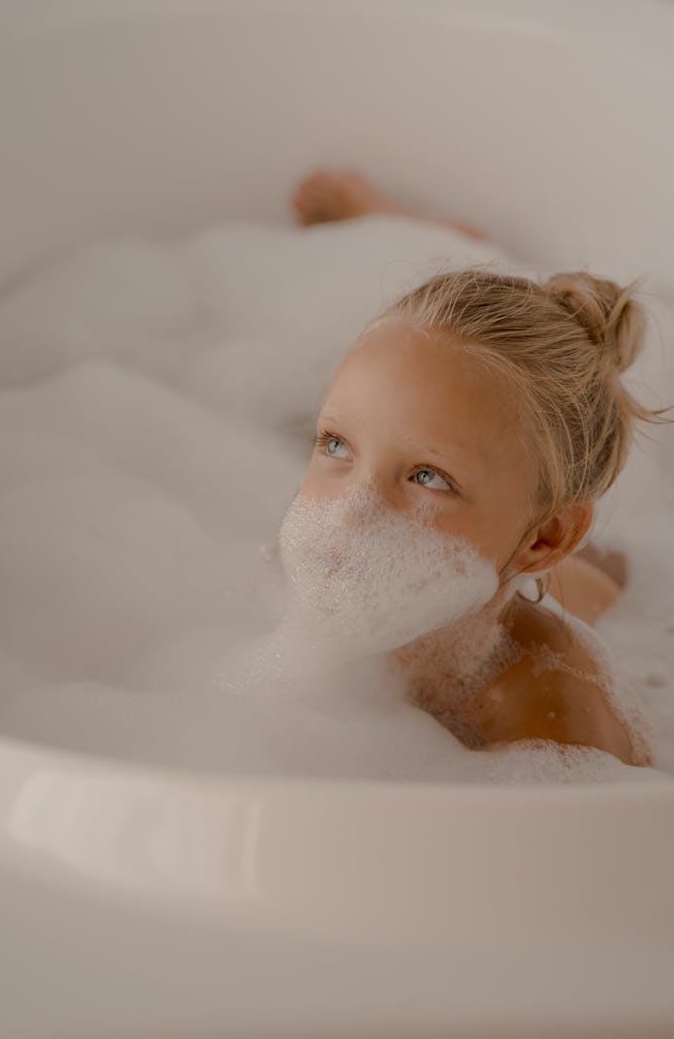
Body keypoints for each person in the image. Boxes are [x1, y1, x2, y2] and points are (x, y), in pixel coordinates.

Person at [288, 168, 674, 766]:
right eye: (334, 444)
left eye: (427, 477)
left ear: (546, 538)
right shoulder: (340, 569)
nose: (350, 512)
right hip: (512, 550)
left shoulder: (546, 715)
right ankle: (439, 243)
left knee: (596, 582)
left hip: (598, 590)